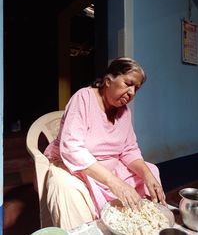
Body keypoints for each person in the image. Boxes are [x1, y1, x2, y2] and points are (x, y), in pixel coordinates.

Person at [44, 57, 166, 230]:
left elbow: (129, 149)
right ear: (108, 81)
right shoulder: (83, 98)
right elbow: (72, 148)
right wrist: (114, 182)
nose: (131, 92)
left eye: (136, 88)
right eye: (128, 83)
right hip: (78, 167)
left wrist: (146, 174)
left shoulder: (124, 112)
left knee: (151, 170)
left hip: (110, 168)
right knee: (64, 185)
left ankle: (132, 225)